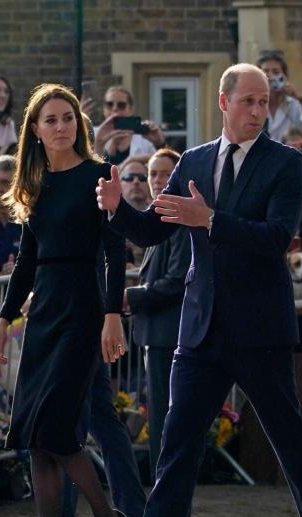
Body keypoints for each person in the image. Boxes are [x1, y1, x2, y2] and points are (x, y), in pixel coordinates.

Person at [93, 63, 302, 517]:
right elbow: (157, 229)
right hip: (201, 330)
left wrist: (209, 220)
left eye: (265, 102)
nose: (258, 110)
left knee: (290, 440)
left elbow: (276, 238)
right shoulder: (197, 159)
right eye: (248, 101)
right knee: (177, 447)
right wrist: (118, 213)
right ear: (224, 103)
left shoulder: (285, 163)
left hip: (260, 329)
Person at [0, 83, 130, 517]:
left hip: (83, 308)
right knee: (35, 436)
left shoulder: (98, 176)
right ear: (35, 130)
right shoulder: (36, 183)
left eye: (67, 117)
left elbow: (116, 253)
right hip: (44, 309)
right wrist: (4, 320)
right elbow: (27, 258)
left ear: (79, 124)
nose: (61, 126)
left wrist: (113, 314)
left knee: (58, 430)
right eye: (50, 119)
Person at [127, 147, 191, 477]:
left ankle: (167, 501)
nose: (157, 180)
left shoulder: (177, 220)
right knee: (159, 419)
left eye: (165, 174)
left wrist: (130, 298)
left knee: (168, 421)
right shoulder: (158, 218)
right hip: (156, 334)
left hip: (170, 335)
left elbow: (176, 281)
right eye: (153, 174)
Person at [257, 50, 302, 142]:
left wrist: (298, 97)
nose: (271, 76)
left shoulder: (294, 104)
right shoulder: (254, 105)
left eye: (276, 72)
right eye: (265, 72)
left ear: (284, 76)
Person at [92, 86, 164, 165]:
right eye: (109, 104)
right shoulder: (92, 134)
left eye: (121, 105)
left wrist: (160, 144)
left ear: (130, 109)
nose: (115, 108)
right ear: (104, 109)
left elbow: (164, 167)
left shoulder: (145, 137)